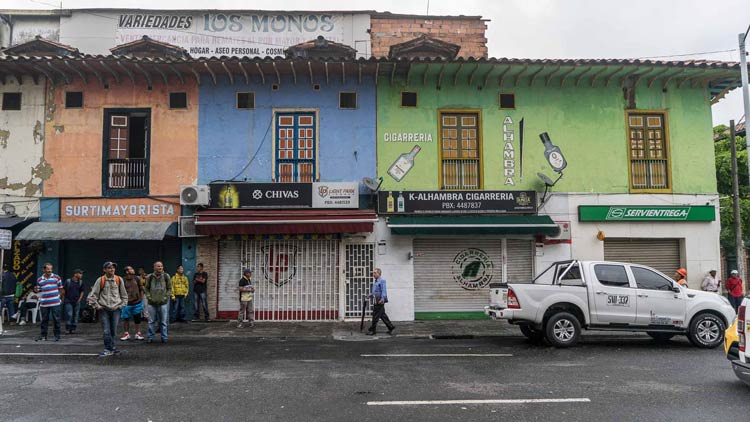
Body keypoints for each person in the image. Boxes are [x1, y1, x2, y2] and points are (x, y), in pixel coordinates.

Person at [87, 262, 128, 357]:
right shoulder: (100, 280)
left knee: (113, 330)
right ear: (104, 270)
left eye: (113, 268)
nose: (112, 269)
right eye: (109, 268)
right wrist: (97, 306)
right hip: (104, 309)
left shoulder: (118, 279)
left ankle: (112, 348)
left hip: (116, 308)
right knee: (106, 330)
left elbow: (124, 295)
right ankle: (107, 349)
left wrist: (121, 305)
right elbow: (93, 295)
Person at [35, 263, 64, 342]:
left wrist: (60, 299)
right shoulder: (39, 280)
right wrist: (36, 290)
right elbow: (38, 290)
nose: (50, 271)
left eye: (51, 269)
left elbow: (61, 289)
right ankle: (43, 336)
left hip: (55, 302)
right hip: (44, 303)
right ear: (44, 270)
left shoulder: (57, 277)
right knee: (44, 320)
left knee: (56, 319)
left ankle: (57, 336)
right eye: (48, 270)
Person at [145, 261, 171, 343]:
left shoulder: (166, 276)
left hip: (163, 303)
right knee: (151, 322)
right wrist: (149, 297)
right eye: (158, 266)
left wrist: (165, 297)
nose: (160, 268)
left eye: (161, 266)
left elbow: (169, 288)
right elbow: (146, 288)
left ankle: (164, 337)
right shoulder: (150, 277)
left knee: (163, 322)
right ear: (154, 267)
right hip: (151, 303)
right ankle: (150, 337)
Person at [367, 268, 395, 336]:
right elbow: (375, 292)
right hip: (376, 300)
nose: (373, 274)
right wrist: (370, 295)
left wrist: (382, 299)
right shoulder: (376, 282)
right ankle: (391, 327)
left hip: (379, 301)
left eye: (375, 273)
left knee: (375, 316)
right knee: (382, 315)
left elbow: (384, 291)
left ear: (379, 274)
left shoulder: (382, 281)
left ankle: (373, 330)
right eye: (373, 273)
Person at [120, 266, 145, 341]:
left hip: (137, 303)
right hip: (126, 303)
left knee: (137, 318)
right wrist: (122, 301)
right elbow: (120, 291)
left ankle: (138, 333)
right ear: (127, 272)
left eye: (132, 268)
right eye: (131, 269)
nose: (133, 270)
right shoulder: (123, 280)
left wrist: (141, 299)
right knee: (126, 318)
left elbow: (141, 289)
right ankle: (126, 334)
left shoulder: (137, 278)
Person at [63, 269, 85, 334]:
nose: (81, 275)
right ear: (75, 274)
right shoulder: (68, 281)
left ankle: (73, 329)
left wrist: (80, 299)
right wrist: (63, 299)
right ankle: (67, 329)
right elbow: (64, 291)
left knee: (76, 316)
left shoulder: (81, 282)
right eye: (80, 273)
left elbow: (82, 291)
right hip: (68, 301)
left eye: (81, 274)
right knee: (69, 315)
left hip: (77, 302)